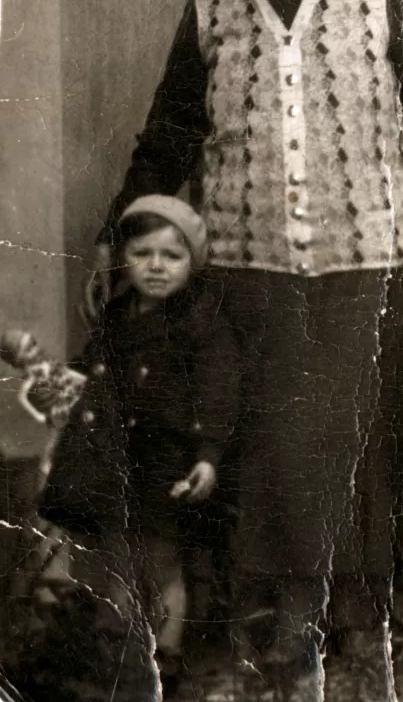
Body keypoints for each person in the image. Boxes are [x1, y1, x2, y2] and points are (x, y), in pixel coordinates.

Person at [86, 0, 403, 702]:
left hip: (372, 275)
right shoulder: (213, 11)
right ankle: (279, 662)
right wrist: (119, 234)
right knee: (264, 474)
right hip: (249, 280)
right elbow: (168, 136)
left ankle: (367, 660)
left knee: (367, 470)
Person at [40, 195, 241, 701]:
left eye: (171, 256)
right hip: (112, 460)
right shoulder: (116, 315)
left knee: (163, 562)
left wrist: (207, 457)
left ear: (193, 262)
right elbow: (89, 377)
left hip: (165, 463)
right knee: (115, 558)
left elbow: (218, 395)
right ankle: (122, 652)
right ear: (124, 256)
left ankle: (166, 659)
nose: (155, 266)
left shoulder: (200, 325)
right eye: (143, 252)